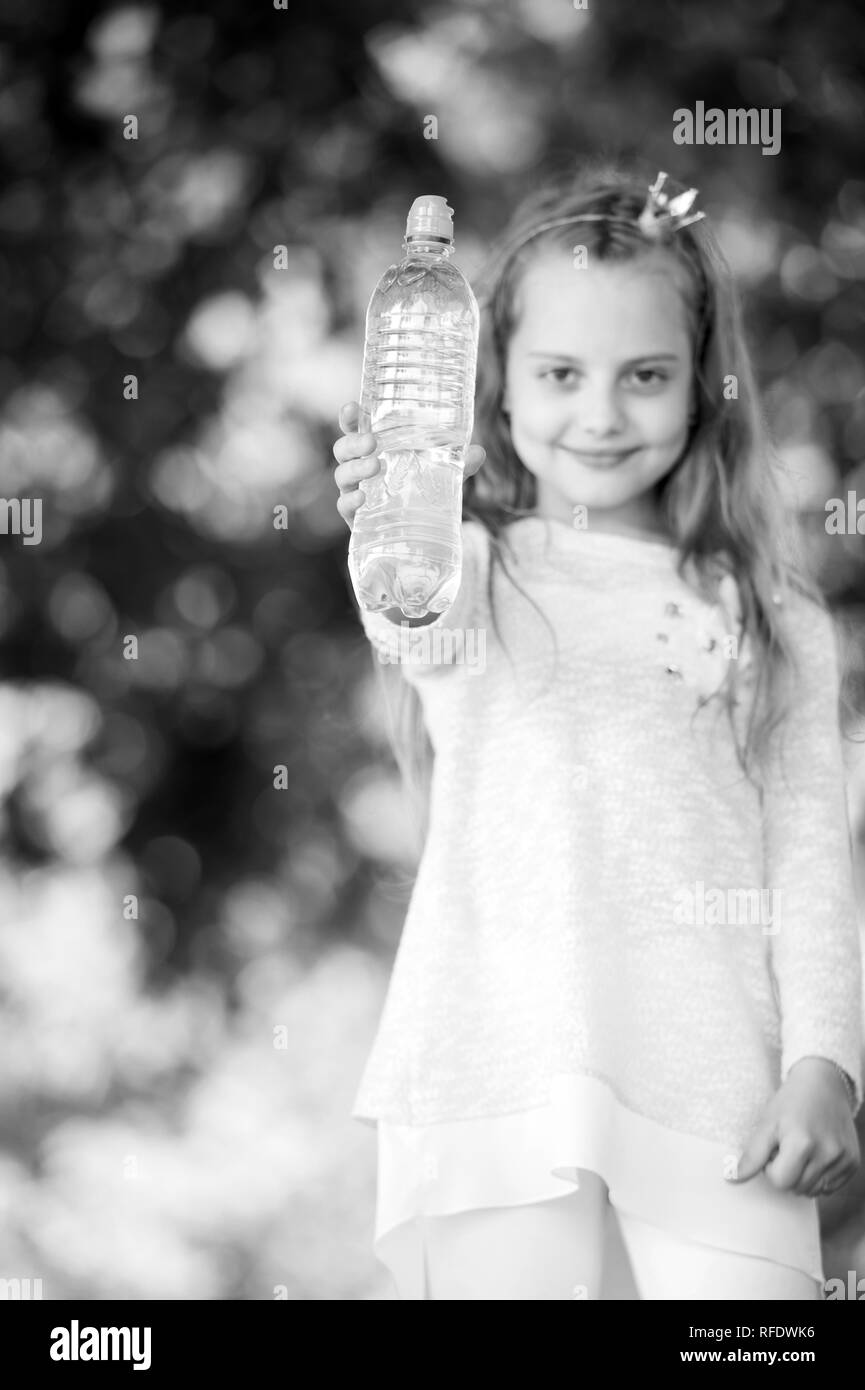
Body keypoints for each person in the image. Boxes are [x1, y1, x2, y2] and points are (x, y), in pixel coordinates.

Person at [331, 163, 863, 1300]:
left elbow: (811, 857)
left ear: (701, 386)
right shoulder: (479, 563)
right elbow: (410, 610)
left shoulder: (774, 615)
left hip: (721, 1091)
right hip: (494, 1069)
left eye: (646, 376)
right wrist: (388, 511)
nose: (602, 414)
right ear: (497, 385)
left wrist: (826, 1065)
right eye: (561, 374)